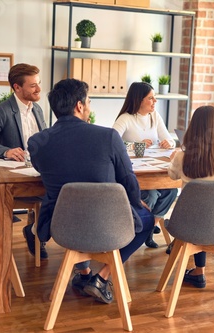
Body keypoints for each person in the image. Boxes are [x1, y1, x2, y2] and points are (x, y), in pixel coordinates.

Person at [28, 78, 154, 303]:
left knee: (80, 213)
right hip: (106, 223)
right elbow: (128, 179)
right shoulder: (107, 136)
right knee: (147, 219)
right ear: (79, 106)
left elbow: (42, 170)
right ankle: (102, 277)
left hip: (63, 225)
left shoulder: (37, 141)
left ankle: (84, 274)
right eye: (88, 101)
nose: (89, 106)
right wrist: (136, 203)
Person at [0, 63, 48, 258]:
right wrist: (6, 151)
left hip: (39, 171)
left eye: (38, 83)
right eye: (33, 85)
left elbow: (44, 139)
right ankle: (36, 232)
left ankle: (35, 231)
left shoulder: (38, 109)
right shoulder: (2, 111)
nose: (39, 89)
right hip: (15, 178)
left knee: (64, 192)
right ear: (17, 87)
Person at [168, 105, 214, 288]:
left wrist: (174, 157)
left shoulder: (183, 157)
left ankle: (199, 271)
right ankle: (198, 271)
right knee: (207, 211)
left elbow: (171, 175)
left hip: (188, 225)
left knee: (198, 211)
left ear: (193, 128)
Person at [113, 82, 178, 249]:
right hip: (134, 171)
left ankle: (150, 227)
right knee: (152, 194)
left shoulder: (154, 116)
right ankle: (141, 228)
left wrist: (167, 142)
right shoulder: (125, 118)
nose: (155, 101)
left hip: (154, 166)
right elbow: (112, 143)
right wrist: (136, 145)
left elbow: (170, 139)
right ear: (139, 100)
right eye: (150, 98)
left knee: (171, 191)